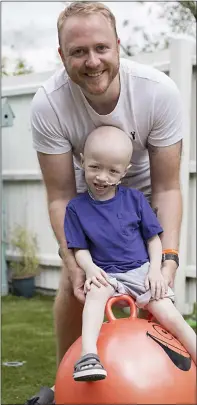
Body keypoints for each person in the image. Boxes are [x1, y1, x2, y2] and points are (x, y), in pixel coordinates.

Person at [26, 0, 184, 403]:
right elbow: (61, 195)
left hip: (145, 196)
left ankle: (168, 380)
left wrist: (166, 261)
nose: (92, 61)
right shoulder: (48, 104)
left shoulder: (157, 92)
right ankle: (68, 377)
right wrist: (71, 262)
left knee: (157, 294)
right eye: (78, 52)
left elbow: (167, 188)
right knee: (75, 280)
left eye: (101, 48)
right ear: (62, 56)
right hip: (88, 198)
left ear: (118, 44)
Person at [63, 126, 196, 381]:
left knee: (170, 314)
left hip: (141, 271)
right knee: (94, 298)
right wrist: (90, 270)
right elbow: (79, 248)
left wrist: (156, 270)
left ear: (124, 172)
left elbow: (153, 240)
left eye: (112, 171)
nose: (102, 177)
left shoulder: (134, 199)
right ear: (82, 161)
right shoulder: (76, 208)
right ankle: (88, 356)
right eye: (95, 167)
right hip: (105, 273)